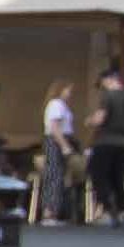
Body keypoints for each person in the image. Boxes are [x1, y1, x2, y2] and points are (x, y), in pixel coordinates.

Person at [89, 66, 124, 224]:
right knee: (118, 178)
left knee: (98, 175)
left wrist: (90, 121)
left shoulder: (108, 97)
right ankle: (122, 211)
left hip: (105, 141)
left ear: (107, 80)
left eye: (101, 84)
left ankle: (106, 211)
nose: (102, 88)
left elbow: (100, 118)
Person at [41, 87, 82, 221]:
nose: (70, 93)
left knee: (60, 175)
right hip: (56, 141)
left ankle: (56, 210)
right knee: (54, 174)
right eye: (67, 90)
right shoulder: (56, 104)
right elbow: (54, 126)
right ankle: (49, 211)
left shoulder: (62, 105)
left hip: (62, 139)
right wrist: (64, 145)